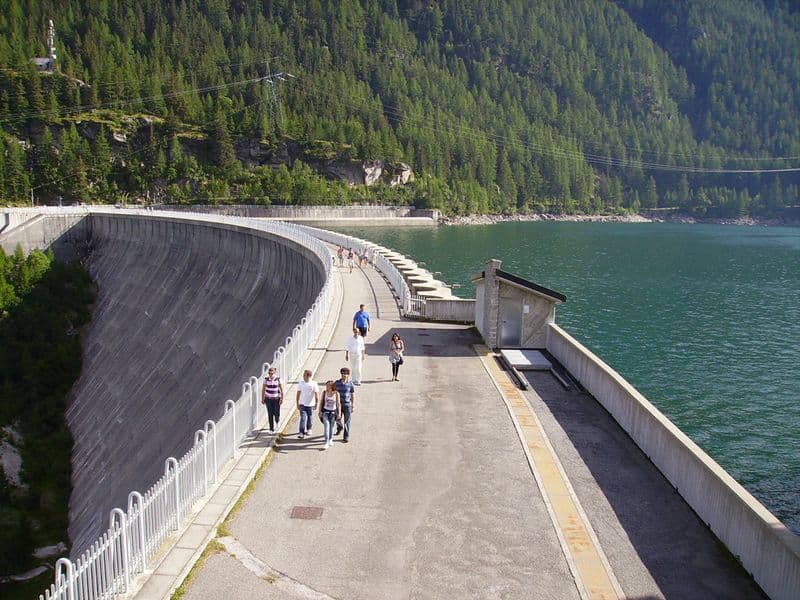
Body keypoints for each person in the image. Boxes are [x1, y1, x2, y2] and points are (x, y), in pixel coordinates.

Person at [295, 369, 319, 439]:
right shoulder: (301, 383)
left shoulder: (314, 384)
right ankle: (301, 432)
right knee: (303, 418)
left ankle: (309, 429)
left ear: (309, 376)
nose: (303, 377)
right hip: (302, 404)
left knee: (310, 417)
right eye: (303, 375)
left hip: (311, 404)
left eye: (304, 375)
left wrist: (316, 403)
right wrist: (297, 403)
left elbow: (316, 394)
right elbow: (298, 393)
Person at [334, 367, 355, 442]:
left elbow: (352, 394)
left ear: (348, 375)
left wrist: (353, 405)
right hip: (338, 404)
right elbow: (333, 393)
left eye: (346, 374)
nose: (344, 375)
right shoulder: (336, 383)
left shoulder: (350, 384)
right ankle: (339, 427)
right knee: (337, 419)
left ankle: (346, 436)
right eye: (343, 374)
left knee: (347, 421)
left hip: (347, 405)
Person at [318, 380, 341, 449]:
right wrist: (320, 412)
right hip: (325, 412)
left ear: (332, 386)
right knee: (326, 427)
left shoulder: (336, 394)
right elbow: (321, 402)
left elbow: (338, 404)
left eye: (328, 386)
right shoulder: (324, 393)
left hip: (333, 413)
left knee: (331, 427)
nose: (326, 387)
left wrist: (339, 413)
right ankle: (326, 442)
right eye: (326, 385)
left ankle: (330, 439)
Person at [261, 366, 284, 432]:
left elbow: (282, 390)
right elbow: (263, 389)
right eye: (269, 373)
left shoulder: (278, 379)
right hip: (268, 399)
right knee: (270, 413)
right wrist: (263, 399)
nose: (270, 375)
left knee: (276, 413)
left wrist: (281, 399)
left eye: (272, 373)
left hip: (276, 399)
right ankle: (271, 428)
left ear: (274, 373)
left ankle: (277, 422)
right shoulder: (266, 380)